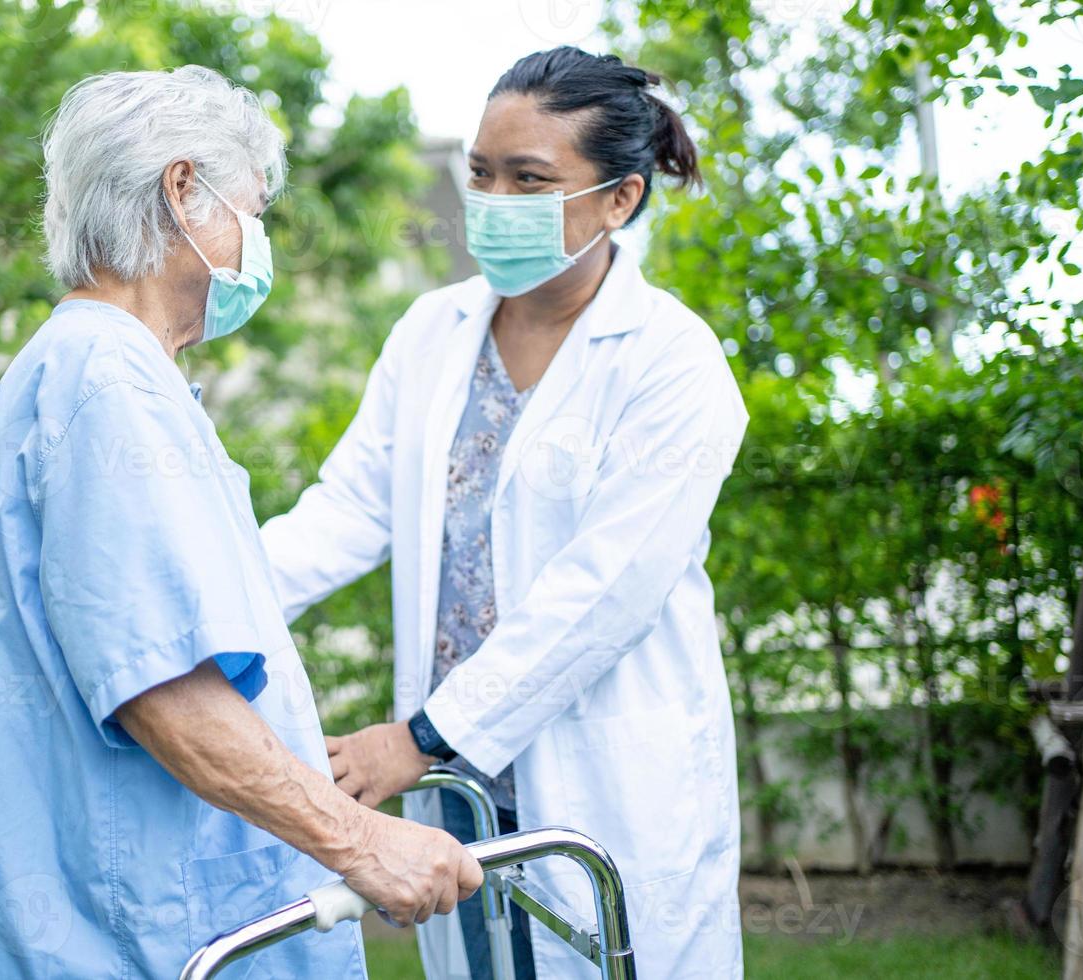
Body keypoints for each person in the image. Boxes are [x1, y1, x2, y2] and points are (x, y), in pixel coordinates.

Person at [0, 66, 481, 980]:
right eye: (253, 213)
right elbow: (163, 689)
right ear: (183, 190)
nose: (259, 243)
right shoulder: (106, 385)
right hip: (130, 934)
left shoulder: (110, 378)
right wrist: (361, 842)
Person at [261, 47, 747, 980]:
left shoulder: (672, 364)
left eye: (531, 179)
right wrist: (206, 606)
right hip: (461, 789)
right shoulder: (431, 333)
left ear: (620, 199)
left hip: (596, 777)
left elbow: (602, 595)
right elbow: (348, 511)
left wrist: (419, 738)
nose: (493, 199)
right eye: (482, 173)